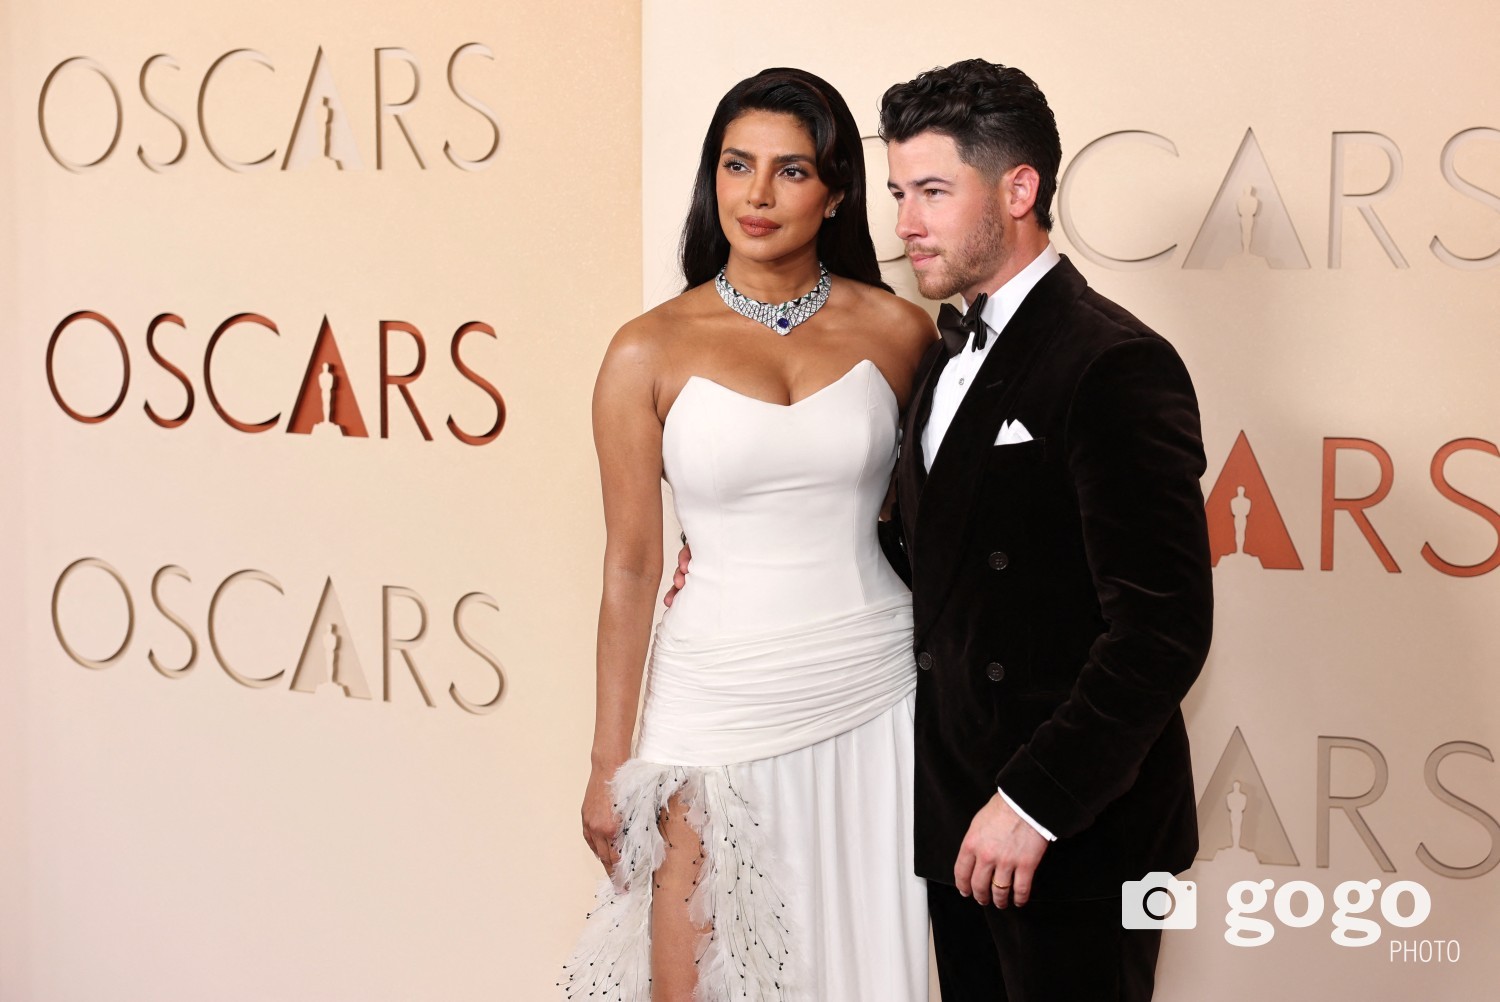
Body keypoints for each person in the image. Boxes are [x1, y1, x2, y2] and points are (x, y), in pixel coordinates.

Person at [561, 67, 934, 1002]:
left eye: (791, 170)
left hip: (873, 685)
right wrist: (609, 761)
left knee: (854, 959)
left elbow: (937, 524)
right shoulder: (644, 349)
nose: (757, 194)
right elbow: (631, 566)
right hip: (714, 694)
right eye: (737, 165)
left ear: (837, 192)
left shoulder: (899, 331)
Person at [880, 60, 1213, 1000]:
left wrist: (1034, 803)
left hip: (1080, 834)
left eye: (933, 191)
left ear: (1018, 190)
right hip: (960, 818)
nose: (906, 223)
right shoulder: (942, 354)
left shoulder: (1117, 363)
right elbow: (941, 566)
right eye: (899, 193)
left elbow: (1162, 631)